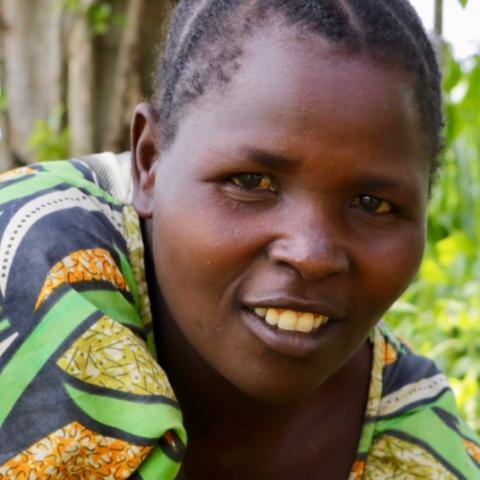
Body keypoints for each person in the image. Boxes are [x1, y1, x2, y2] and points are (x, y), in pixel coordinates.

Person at [0, 0, 479, 478]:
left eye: (372, 204)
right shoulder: (35, 254)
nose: (311, 255)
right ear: (149, 162)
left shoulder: (420, 441)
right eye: (251, 182)